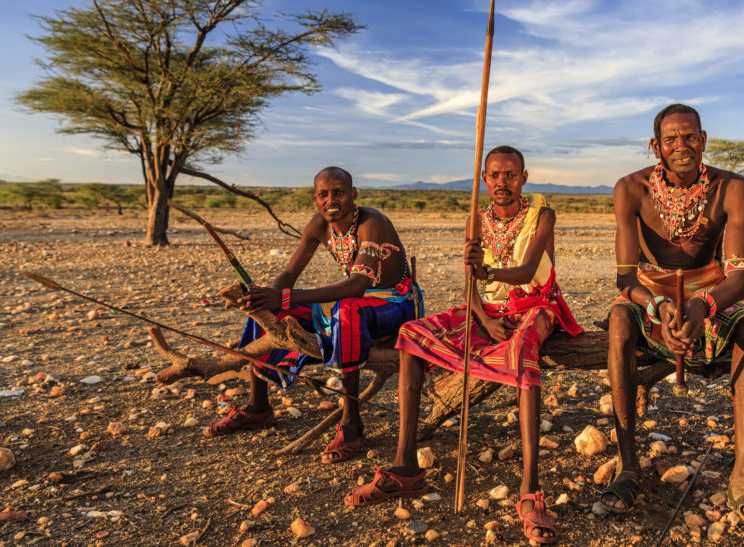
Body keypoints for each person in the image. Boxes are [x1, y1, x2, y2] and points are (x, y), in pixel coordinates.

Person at [344, 146, 582, 545]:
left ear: (524, 177)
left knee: (523, 352)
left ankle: (528, 489)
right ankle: (405, 467)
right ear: (484, 179)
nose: (502, 182)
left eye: (510, 174)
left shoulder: (543, 215)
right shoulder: (475, 217)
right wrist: (485, 319)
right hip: (486, 308)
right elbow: (471, 286)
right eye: (494, 175)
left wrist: (487, 268)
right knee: (412, 336)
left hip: (535, 304)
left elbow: (526, 271)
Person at [603, 104, 744, 537]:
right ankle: (629, 468)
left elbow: (740, 275)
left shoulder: (732, 187)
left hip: (713, 290)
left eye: (690, 137)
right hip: (653, 295)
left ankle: (742, 479)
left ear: (704, 140)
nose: (681, 147)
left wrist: (702, 306)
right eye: (671, 139)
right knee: (618, 323)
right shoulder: (630, 189)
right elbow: (625, 275)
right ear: (655, 146)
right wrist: (656, 307)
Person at [204, 166, 419, 466]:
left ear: (353, 195)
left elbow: (357, 286)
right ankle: (258, 406)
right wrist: (264, 297)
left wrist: (285, 296)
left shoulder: (373, 223)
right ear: (315, 199)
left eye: (339, 192)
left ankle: (351, 424)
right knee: (269, 307)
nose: (331, 200)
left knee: (347, 310)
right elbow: (289, 275)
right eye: (323, 194)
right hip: (355, 300)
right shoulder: (319, 225)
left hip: (394, 304)